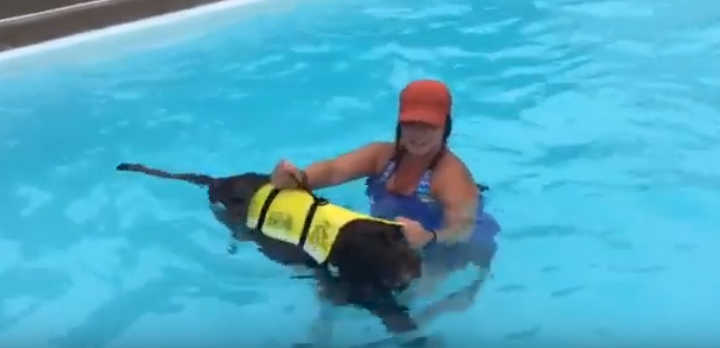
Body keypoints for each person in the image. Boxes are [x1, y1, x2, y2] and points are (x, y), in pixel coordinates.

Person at [272, 79, 501, 323]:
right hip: (399, 240)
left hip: (453, 247)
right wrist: (300, 177)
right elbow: (334, 170)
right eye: (410, 124)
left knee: (416, 300)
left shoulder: (450, 176)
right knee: (334, 285)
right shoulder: (383, 156)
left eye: (428, 126)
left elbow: (462, 228)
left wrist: (429, 237)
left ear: (445, 126)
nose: (417, 134)